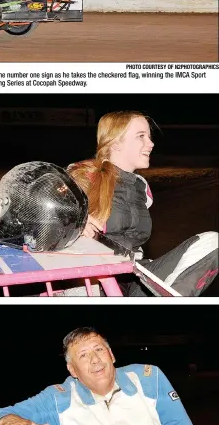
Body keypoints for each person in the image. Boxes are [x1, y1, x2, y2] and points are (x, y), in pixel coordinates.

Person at [67, 111, 218, 297]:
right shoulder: (83, 176)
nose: (151, 143)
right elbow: (34, 213)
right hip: (92, 280)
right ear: (115, 143)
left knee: (212, 242)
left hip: (135, 273)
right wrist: (73, 224)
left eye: (149, 136)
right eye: (141, 136)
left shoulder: (142, 188)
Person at [0, 327, 193, 425]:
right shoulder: (58, 398)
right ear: (72, 370)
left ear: (111, 355)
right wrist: (5, 422)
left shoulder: (149, 378)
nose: (95, 360)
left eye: (99, 350)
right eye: (83, 355)